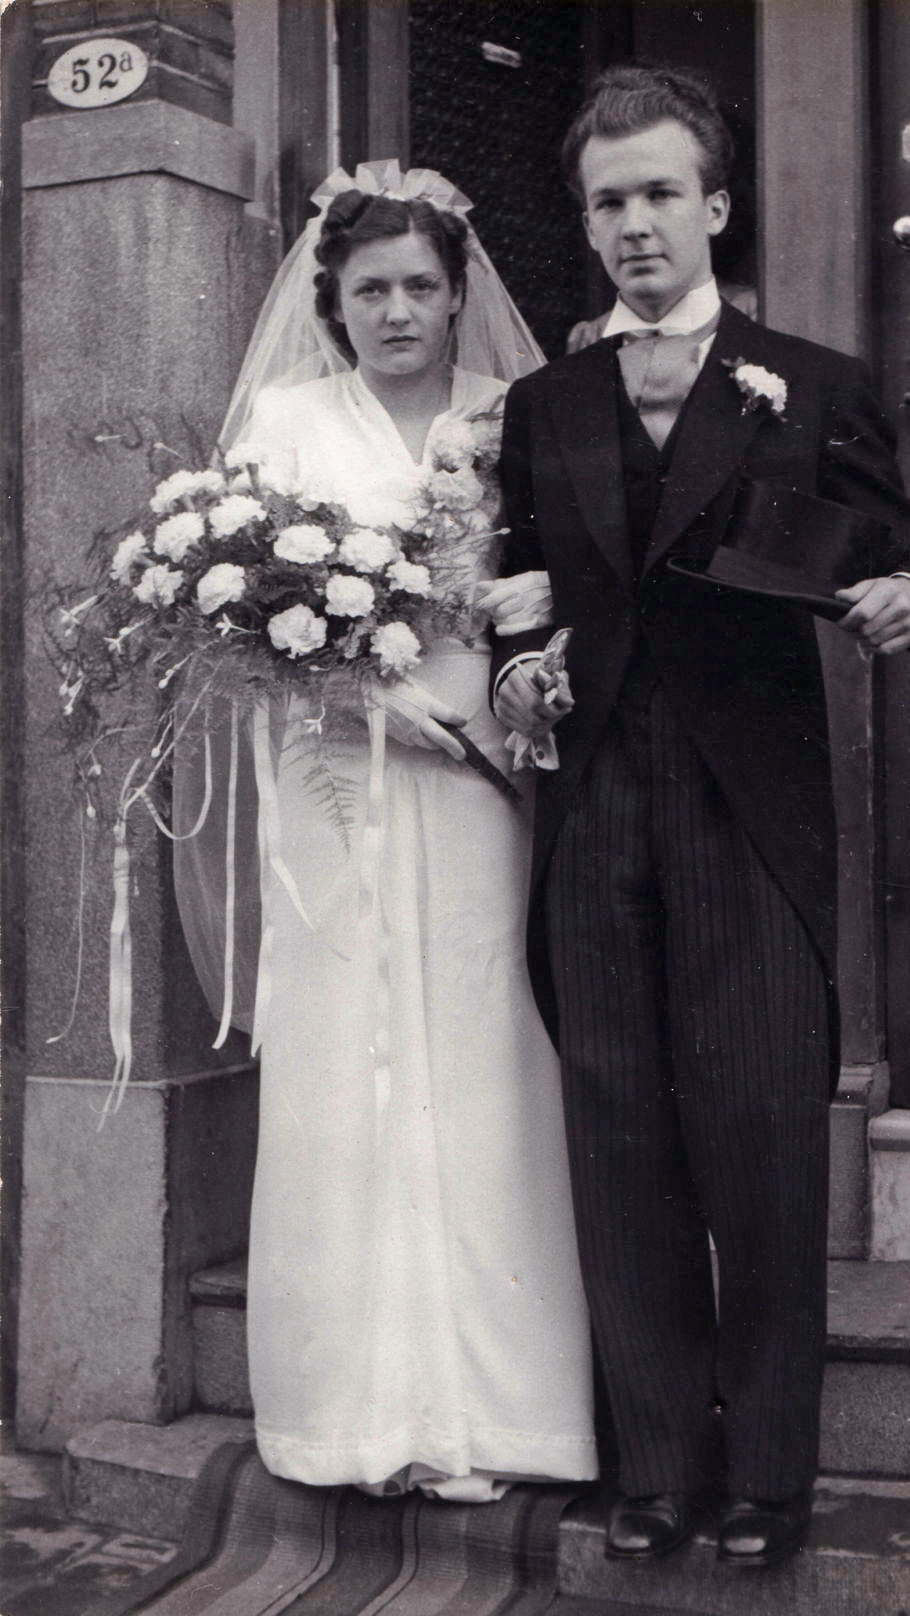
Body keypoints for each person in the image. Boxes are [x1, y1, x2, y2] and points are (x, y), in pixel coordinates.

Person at [493, 66, 910, 1566]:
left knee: (759, 1139)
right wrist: (519, 672)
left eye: (656, 194)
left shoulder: (809, 381)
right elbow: (517, 597)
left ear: (712, 205)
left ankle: (767, 1480)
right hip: (590, 821)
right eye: (605, 203)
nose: (633, 225)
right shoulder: (538, 404)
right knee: (618, 1136)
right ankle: (653, 1472)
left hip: (748, 817)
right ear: (586, 227)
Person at [175, 164, 596, 1501]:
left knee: (477, 1041)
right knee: (348, 1051)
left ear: (460, 293)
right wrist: (360, 692)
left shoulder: (510, 417)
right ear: (333, 303)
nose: (399, 308)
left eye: (423, 284)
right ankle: (354, 1409)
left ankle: (503, 1405)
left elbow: (548, 588)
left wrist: (516, 682)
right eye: (372, 289)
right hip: (335, 769)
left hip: (475, 761)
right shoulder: (289, 427)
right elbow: (233, 618)